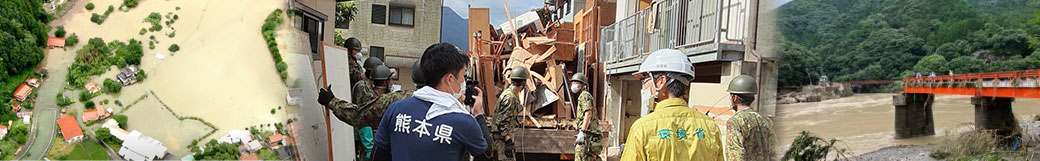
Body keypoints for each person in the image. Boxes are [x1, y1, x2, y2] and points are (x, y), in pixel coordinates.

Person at [372, 43, 490, 161]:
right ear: (450, 79)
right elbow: (485, 153)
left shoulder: (396, 109)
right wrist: (478, 115)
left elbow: (378, 155)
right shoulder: (464, 122)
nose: (463, 81)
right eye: (463, 75)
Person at [620, 49, 724, 161]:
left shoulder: (643, 127)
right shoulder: (710, 126)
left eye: (645, 81)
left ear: (661, 81)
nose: (643, 88)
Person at [318, 63, 392, 161]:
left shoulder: (382, 98)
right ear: (384, 83)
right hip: (369, 145)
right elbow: (360, 118)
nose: (392, 83)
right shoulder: (368, 94)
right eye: (390, 80)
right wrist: (370, 148)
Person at [723, 75, 777, 161]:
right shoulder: (767, 120)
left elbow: (735, 157)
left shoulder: (735, 122)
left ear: (735, 98)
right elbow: (775, 153)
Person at [490, 66, 527, 161]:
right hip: (502, 142)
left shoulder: (508, 93)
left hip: (500, 140)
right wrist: (508, 141)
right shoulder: (510, 98)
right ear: (523, 83)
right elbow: (502, 122)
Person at [571, 73, 601, 161]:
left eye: (576, 83)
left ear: (583, 86)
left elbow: (588, 113)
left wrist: (582, 132)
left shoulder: (584, 96)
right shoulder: (583, 96)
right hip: (588, 135)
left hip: (587, 135)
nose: (573, 85)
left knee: (580, 158)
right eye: (572, 83)